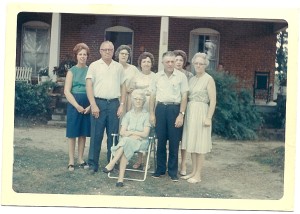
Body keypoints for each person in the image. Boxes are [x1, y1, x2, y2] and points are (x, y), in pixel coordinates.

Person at [85, 40, 126, 173]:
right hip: (99, 103)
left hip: (114, 103)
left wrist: (121, 105)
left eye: (110, 50)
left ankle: (112, 163)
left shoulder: (118, 67)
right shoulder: (94, 66)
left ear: (113, 51)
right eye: (105, 50)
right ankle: (93, 164)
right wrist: (93, 104)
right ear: (100, 51)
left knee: (113, 135)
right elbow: (89, 86)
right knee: (96, 134)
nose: (107, 52)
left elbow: (123, 86)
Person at [149, 51, 189, 182]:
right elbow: (152, 96)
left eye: (172, 61)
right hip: (160, 109)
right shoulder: (156, 76)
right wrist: (152, 114)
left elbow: (184, 96)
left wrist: (181, 115)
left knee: (174, 141)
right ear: (163, 62)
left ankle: (172, 172)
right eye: (168, 62)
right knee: (160, 141)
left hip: (174, 109)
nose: (171, 64)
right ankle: (160, 170)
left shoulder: (181, 77)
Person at [102, 89, 151, 187]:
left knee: (125, 142)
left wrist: (131, 133)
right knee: (126, 143)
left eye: (140, 99)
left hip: (141, 142)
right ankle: (120, 180)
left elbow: (145, 134)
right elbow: (122, 132)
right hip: (129, 141)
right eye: (135, 99)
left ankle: (112, 163)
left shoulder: (147, 115)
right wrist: (134, 135)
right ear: (132, 100)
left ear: (144, 101)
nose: (137, 101)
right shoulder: (128, 115)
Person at [181, 52, 216, 184]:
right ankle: (193, 172)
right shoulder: (192, 79)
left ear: (205, 65)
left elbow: (213, 101)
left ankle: (198, 175)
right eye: (196, 63)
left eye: (201, 64)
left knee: (200, 144)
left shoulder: (209, 79)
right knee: (193, 143)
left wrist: (208, 117)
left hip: (202, 112)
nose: (198, 66)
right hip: (191, 112)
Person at [64, 43, 91, 172]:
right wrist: (77, 106)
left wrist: (91, 105)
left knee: (83, 133)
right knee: (72, 133)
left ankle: (80, 158)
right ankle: (71, 160)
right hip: (74, 103)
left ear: (87, 56)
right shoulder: (72, 71)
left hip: (87, 103)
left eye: (84, 54)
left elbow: (94, 90)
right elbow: (66, 91)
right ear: (76, 56)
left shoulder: (90, 70)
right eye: (80, 54)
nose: (82, 56)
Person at [129, 52, 156, 170]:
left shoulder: (156, 76)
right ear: (140, 63)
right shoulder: (135, 76)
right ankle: (139, 160)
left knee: (148, 134)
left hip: (150, 108)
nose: (146, 63)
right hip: (138, 107)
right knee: (138, 132)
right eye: (144, 61)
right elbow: (130, 91)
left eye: (148, 61)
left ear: (151, 64)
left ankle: (147, 161)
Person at [173, 49, 194, 176]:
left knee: (184, 138)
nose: (178, 62)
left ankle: (183, 164)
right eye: (176, 60)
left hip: (185, 109)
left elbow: (190, 93)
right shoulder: (169, 73)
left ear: (184, 62)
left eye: (181, 60)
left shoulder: (189, 76)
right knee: (174, 137)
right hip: (173, 108)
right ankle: (173, 162)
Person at [115, 45, 139, 112]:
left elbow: (138, 82)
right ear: (118, 54)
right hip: (118, 98)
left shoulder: (133, 68)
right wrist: (125, 89)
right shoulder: (114, 68)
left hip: (131, 99)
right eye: (122, 53)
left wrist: (133, 88)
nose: (124, 55)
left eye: (126, 54)